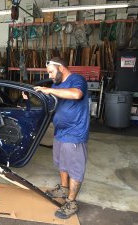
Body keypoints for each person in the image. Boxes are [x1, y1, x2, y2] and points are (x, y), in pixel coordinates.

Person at [34, 57, 90, 219]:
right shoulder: (56, 85)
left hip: (75, 133)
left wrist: (49, 90)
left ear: (61, 68)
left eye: (51, 72)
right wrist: (33, 96)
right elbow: (51, 103)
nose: (50, 76)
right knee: (61, 163)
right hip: (60, 131)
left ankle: (71, 201)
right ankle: (63, 188)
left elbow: (76, 94)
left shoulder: (77, 80)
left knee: (75, 169)